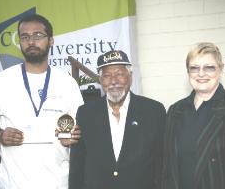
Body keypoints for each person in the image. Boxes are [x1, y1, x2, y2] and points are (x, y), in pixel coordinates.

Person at [0, 14, 84, 189]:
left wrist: (74, 135)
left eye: (38, 35)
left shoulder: (67, 83)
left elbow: (80, 126)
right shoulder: (1, 80)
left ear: (51, 40)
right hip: (14, 183)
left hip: (59, 182)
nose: (31, 41)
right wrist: (0, 135)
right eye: (24, 37)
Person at [69, 50, 166, 189]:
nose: (114, 81)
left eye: (120, 74)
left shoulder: (153, 111)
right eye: (107, 76)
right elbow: (77, 167)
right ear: (101, 80)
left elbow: (162, 163)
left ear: (130, 76)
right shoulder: (85, 113)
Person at [161, 42, 225, 189]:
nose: (201, 74)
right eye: (194, 68)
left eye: (209, 67)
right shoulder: (175, 110)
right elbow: (168, 165)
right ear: (188, 72)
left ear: (220, 70)